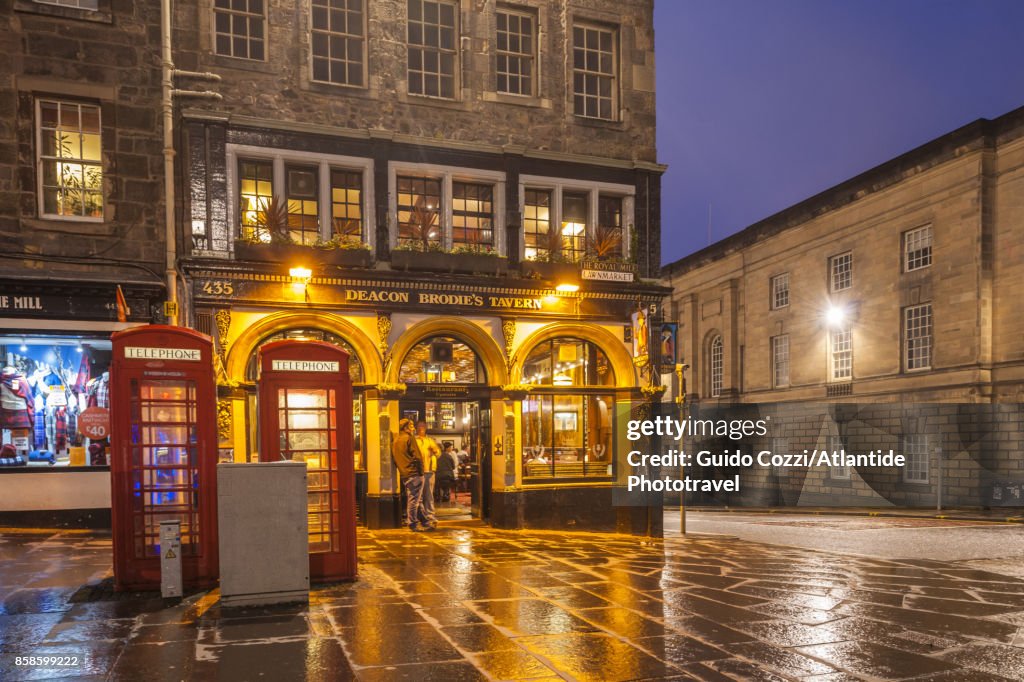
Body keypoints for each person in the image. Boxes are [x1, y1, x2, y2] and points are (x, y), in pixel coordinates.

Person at [392, 418, 435, 531]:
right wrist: (421, 472)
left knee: (417, 499)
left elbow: (395, 459)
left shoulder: (396, 440)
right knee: (414, 501)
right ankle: (412, 523)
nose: (413, 428)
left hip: (404, 474)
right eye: (411, 426)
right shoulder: (409, 438)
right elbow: (418, 456)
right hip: (414, 473)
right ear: (406, 428)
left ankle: (425, 521)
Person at [414, 421, 441, 518]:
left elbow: (438, 453)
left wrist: (435, 451)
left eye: (423, 426)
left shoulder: (430, 440)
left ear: (426, 428)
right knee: (419, 496)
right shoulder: (414, 440)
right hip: (418, 471)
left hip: (430, 471)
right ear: (416, 428)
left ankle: (430, 515)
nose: (421, 428)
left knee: (429, 495)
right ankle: (421, 516)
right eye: (420, 426)